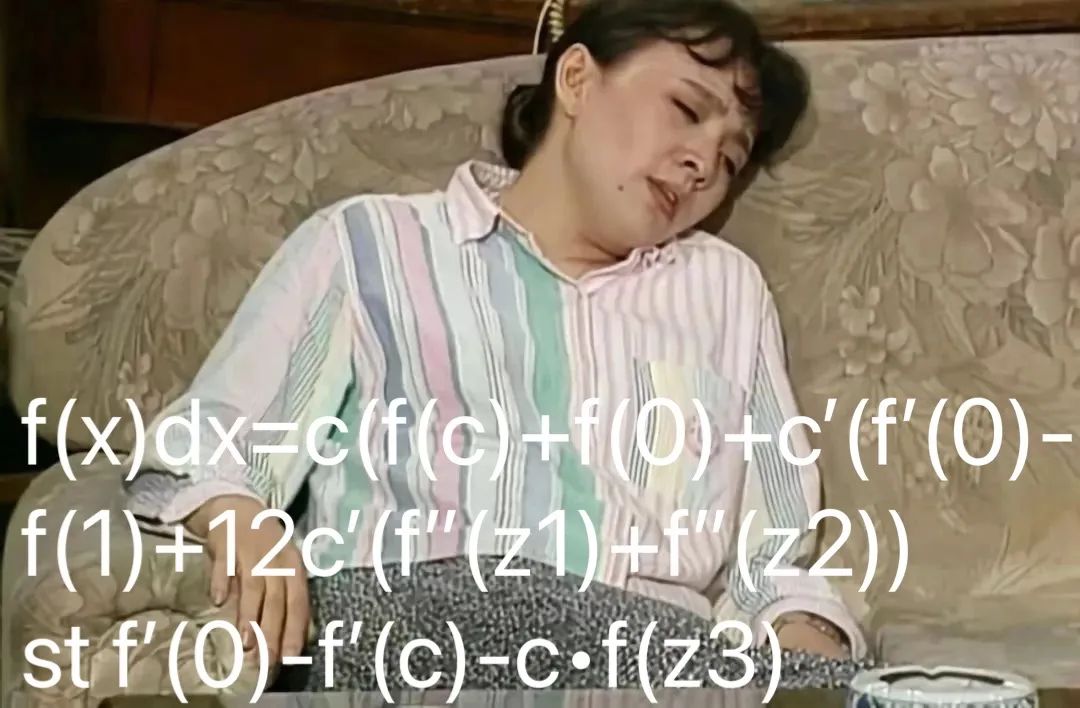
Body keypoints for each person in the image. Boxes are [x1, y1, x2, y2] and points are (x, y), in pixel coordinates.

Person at [125, 0, 869, 689]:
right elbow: (204, 449)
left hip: (639, 658)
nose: (704, 162)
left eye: (731, 158)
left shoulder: (724, 290)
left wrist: (806, 641)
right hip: (408, 629)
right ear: (576, 79)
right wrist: (238, 514)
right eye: (686, 109)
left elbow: (772, 559)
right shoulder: (368, 244)